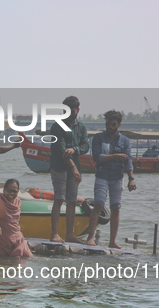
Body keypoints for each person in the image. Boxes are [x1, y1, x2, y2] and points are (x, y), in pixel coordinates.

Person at [86, 110, 137, 248]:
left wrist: (131, 178)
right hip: (102, 175)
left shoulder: (125, 141)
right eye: (108, 124)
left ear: (119, 125)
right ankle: (90, 238)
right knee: (98, 205)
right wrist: (116, 156)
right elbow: (97, 157)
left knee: (116, 209)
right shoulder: (98, 138)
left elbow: (128, 161)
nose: (110, 126)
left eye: (113, 124)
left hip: (117, 177)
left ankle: (112, 241)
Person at [49, 95, 89, 243]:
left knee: (72, 201)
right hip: (59, 167)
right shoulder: (57, 126)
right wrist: (73, 168)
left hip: (74, 168)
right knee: (59, 199)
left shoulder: (81, 126)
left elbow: (85, 146)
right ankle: (54, 233)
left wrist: (75, 149)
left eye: (72, 111)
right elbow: (61, 151)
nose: (69, 114)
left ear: (78, 110)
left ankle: (70, 234)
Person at [0, 179, 33, 259]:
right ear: (4, 190)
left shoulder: (18, 201)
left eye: (15, 191)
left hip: (18, 240)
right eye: (9, 190)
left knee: (26, 262)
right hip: (1, 241)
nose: (12, 193)